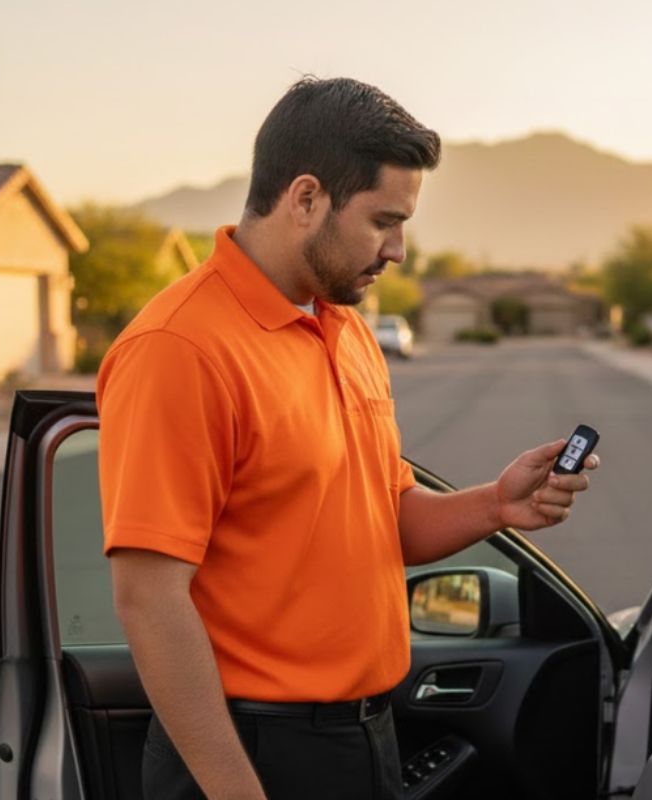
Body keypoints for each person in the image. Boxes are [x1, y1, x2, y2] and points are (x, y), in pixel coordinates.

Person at [96, 77, 600, 800]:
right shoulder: (180, 349)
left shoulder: (348, 332)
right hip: (248, 755)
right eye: (383, 222)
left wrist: (496, 505)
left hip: (363, 739)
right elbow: (149, 598)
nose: (398, 250)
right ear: (306, 199)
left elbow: (381, 515)